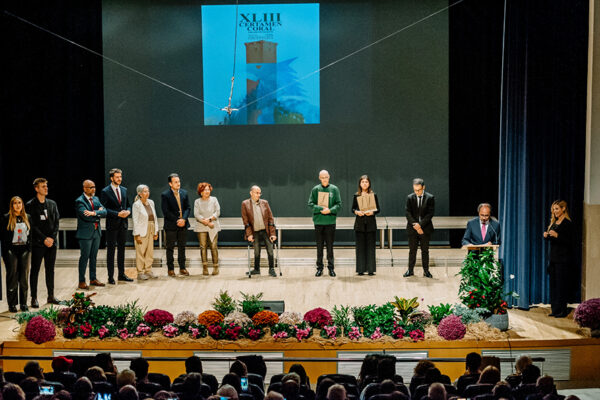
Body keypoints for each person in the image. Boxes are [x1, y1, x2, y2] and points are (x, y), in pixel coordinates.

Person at [26, 178, 61, 307]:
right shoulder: (30, 205)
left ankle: (51, 295)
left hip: (51, 243)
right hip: (38, 243)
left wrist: (51, 238)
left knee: (50, 270)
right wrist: (44, 239)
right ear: (36, 189)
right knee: (35, 270)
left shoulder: (52, 204)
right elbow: (32, 225)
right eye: (42, 186)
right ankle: (34, 297)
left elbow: (56, 222)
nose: (46, 188)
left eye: (46, 186)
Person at [100, 168, 133, 283]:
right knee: (111, 252)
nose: (119, 179)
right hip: (112, 225)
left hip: (123, 224)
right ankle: (110, 277)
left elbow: (128, 205)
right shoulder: (105, 191)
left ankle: (121, 274)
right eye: (117, 177)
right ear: (111, 178)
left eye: (120, 177)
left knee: (122, 250)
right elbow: (103, 209)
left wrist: (128, 211)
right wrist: (117, 214)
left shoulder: (124, 190)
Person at [543, 200, 575, 318]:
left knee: (561, 286)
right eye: (553, 209)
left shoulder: (567, 224)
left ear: (563, 209)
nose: (554, 211)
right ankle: (555, 310)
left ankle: (562, 311)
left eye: (557, 209)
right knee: (554, 285)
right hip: (553, 259)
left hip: (563, 260)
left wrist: (558, 236)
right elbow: (553, 240)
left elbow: (570, 242)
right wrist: (546, 236)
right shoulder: (554, 222)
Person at [308, 170, 342, 277]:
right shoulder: (315, 189)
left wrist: (330, 210)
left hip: (330, 222)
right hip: (319, 221)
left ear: (329, 177)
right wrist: (320, 208)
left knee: (330, 246)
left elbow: (339, 204)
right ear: (319, 178)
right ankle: (319, 268)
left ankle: (331, 268)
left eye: (326, 177)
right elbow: (310, 204)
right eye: (322, 177)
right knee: (319, 246)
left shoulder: (334, 189)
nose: (324, 179)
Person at [1, 196, 32, 312]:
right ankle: (12, 304)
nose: (18, 205)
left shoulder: (28, 217)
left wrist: (29, 248)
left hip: (24, 250)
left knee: (24, 277)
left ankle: (24, 303)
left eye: (20, 203)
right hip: (11, 250)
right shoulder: (6, 218)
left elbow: (31, 235)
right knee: (12, 276)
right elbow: (3, 237)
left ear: (22, 205)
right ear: (12, 205)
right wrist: (5, 252)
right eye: (15, 203)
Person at [75, 180, 107, 289]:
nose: (93, 189)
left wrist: (94, 213)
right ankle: (81, 281)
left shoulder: (96, 199)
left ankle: (93, 278)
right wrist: (98, 213)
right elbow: (85, 216)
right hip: (85, 234)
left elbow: (105, 211)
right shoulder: (80, 201)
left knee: (94, 257)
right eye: (90, 187)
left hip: (96, 232)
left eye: (94, 187)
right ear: (84, 188)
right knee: (85, 257)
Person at [241, 185, 277, 277]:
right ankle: (256, 269)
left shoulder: (264, 203)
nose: (258, 195)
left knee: (270, 250)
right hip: (255, 231)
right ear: (251, 193)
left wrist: (272, 233)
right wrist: (249, 234)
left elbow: (270, 219)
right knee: (256, 251)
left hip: (266, 231)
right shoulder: (245, 204)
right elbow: (246, 222)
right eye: (256, 193)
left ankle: (271, 269)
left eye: (259, 193)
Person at [404, 178, 435, 278]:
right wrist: (415, 225)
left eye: (419, 190)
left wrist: (420, 225)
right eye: (415, 190)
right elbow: (408, 213)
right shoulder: (410, 197)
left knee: (425, 250)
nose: (417, 192)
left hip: (425, 228)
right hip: (412, 228)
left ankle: (426, 271)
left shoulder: (430, 198)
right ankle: (410, 270)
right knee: (412, 250)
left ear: (423, 187)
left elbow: (430, 214)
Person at [161, 173, 191, 277]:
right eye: (175, 182)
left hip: (183, 224)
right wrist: (178, 220)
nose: (178, 184)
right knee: (170, 248)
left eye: (179, 181)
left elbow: (188, 208)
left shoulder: (184, 193)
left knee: (182, 247)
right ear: (170, 183)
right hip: (171, 225)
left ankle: (182, 268)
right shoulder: (165, 195)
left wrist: (184, 219)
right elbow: (166, 211)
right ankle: (170, 269)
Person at [352, 175, 380, 276]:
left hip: (370, 224)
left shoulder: (373, 194)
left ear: (369, 183)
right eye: (363, 182)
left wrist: (372, 213)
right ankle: (360, 269)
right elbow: (352, 209)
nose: (365, 183)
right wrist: (357, 212)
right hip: (359, 224)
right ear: (360, 183)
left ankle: (371, 269)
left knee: (370, 247)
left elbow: (378, 209)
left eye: (366, 182)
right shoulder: (356, 195)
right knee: (360, 247)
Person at [132, 185, 159, 280]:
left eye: (148, 191)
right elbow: (135, 220)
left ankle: (148, 270)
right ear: (139, 193)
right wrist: (137, 234)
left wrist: (156, 231)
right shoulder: (136, 205)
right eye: (144, 191)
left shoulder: (151, 202)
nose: (147, 193)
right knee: (141, 251)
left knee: (149, 251)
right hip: (142, 230)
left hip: (151, 228)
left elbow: (154, 217)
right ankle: (140, 272)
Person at [193, 182, 221, 276]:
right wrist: (204, 221)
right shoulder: (197, 201)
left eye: (208, 189)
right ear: (200, 191)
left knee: (213, 247)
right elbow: (196, 214)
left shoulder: (214, 199)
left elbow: (217, 212)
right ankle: (205, 268)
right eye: (205, 190)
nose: (207, 191)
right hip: (201, 226)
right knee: (203, 247)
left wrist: (209, 220)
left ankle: (215, 267)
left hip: (213, 226)